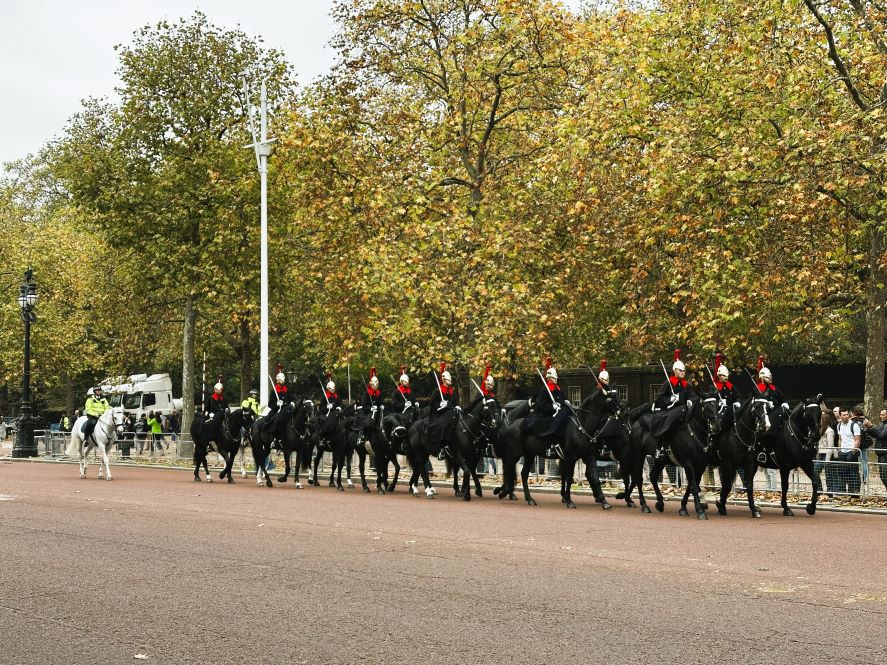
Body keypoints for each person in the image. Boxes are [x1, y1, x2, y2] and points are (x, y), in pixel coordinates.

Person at [522, 357, 571, 459]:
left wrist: (565, 402)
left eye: (556, 377)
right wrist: (552, 407)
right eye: (554, 378)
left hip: (559, 412)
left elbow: (562, 400)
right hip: (546, 415)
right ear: (549, 378)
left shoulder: (558, 388)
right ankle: (551, 444)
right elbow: (541, 406)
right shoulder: (544, 390)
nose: (556, 379)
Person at [650, 350, 697, 451]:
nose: (682, 372)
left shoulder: (686, 385)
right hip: (670, 411)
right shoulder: (668, 383)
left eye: (683, 371)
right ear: (675, 371)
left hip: (684, 411)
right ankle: (662, 444)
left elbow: (693, 396)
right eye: (680, 370)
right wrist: (670, 399)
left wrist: (690, 401)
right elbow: (659, 400)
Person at [427, 362, 460, 459]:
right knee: (443, 424)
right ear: (444, 380)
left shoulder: (452, 391)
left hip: (451, 413)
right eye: (448, 379)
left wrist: (457, 406)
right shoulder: (438, 391)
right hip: (439, 414)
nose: (450, 381)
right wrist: (440, 405)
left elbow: (455, 402)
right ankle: (441, 447)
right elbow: (432, 405)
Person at [351, 368, 384, 447]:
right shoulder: (366, 393)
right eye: (373, 383)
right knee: (368, 421)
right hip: (367, 412)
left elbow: (381, 402)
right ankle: (361, 436)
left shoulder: (379, 393)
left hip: (378, 411)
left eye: (376, 383)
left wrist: (381, 406)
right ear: (371, 384)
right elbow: (364, 405)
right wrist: (371, 408)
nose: (375, 385)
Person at [835, 408, 862, 495]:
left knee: (853, 472)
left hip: (851, 450)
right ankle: (843, 492)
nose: (846, 416)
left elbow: (858, 440)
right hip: (842, 451)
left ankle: (855, 492)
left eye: (847, 414)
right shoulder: (839, 425)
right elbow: (840, 439)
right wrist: (840, 450)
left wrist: (853, 452)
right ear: (840, 416)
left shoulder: (854, 425)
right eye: (844, 415)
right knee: (842, 472)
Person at [864, 408, 887, 493]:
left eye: (883, 414)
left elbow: (881, 435)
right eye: (880, 414)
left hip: (885, 453)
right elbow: (876, 434)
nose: (880, 416)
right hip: (881, 453)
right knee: (883, 475)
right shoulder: (882, 424)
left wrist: (871, 426)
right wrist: (868, 428)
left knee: (884, 475)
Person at [319, 373, 342, 444]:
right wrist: (327, 407)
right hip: (326, 413)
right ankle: (323, 438)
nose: (333, 390)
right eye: (331, 389)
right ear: (328, 388)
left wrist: (339, 407)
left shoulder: (337, 396)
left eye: (334, 388)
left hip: (336, 412)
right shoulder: (324, 396)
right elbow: (320, 407)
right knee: (325, 421)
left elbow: (340, 404)